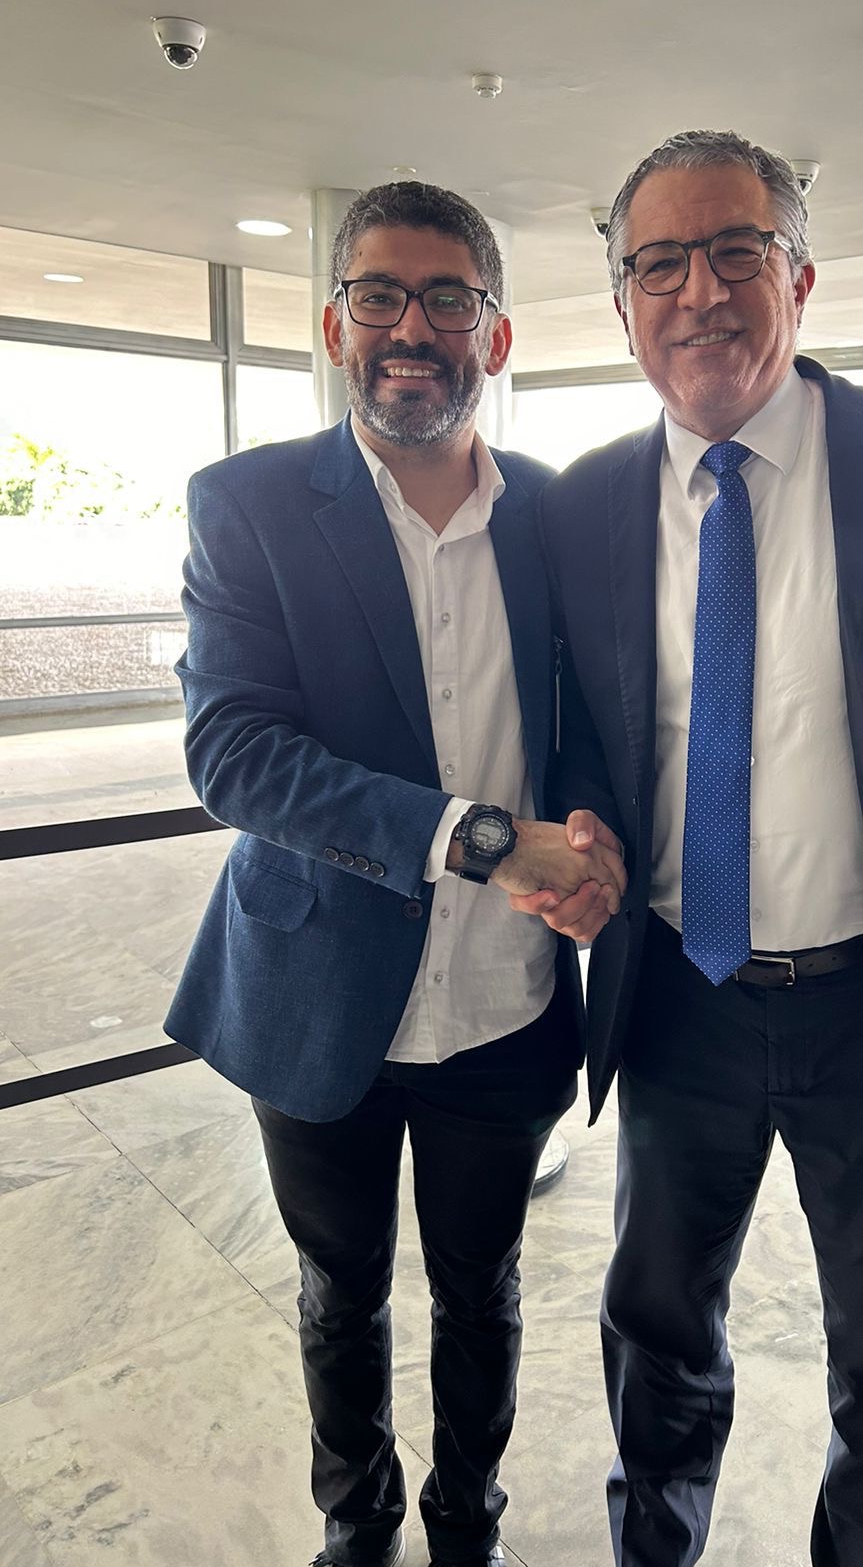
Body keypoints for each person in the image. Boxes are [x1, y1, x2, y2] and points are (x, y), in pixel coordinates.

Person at [519, 131, 863, 1567]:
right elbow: (584, 733)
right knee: (656, 1331)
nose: (699, 292)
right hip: (677, 997)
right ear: (623, 303)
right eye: (659, 265)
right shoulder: (579, 505)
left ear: (799, 277)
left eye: (735, 253)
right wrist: (580, 826)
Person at [165, 180, 625, 1567]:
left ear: (496, 334)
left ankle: (466, 1524)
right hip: (318, 991)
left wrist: (594, 841)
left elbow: (594, 725)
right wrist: (482, 838)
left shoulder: (560, 515)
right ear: (335, 325)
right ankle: (357, 1525)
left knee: (483, 1289)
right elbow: (235, 754)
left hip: (507, 1001)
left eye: (447, 300)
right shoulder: (249, 505)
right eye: (379, 295)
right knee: (339, 1288)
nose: (410, 328)